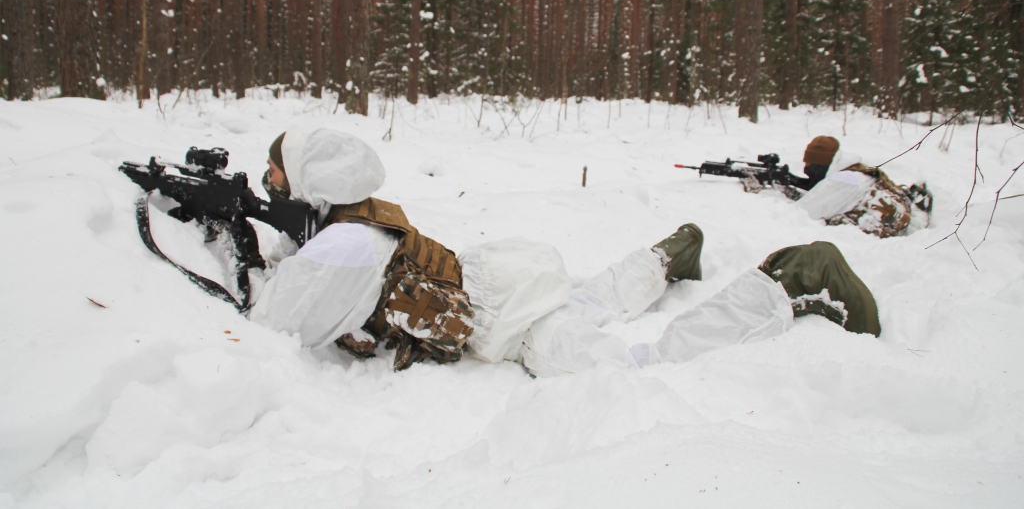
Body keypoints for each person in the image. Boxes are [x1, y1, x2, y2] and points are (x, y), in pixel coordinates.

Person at [252, 126, 881, 376]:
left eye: (278, 172)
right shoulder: (352, 219)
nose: (272, 181)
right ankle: (669, 256)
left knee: (635, 364)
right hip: (500, 275)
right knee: (587, 297)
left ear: (310, 176)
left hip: (510, 320)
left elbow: (282, 321)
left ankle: (793, 279)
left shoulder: (348, 243)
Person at [795, 136, 930, 238]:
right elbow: (822, 190)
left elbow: (804, 213)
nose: (806, 168)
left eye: (809, 163)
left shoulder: (844, 180)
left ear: (821, 163)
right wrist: (794, 181)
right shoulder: (853, 171)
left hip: (887, 240)